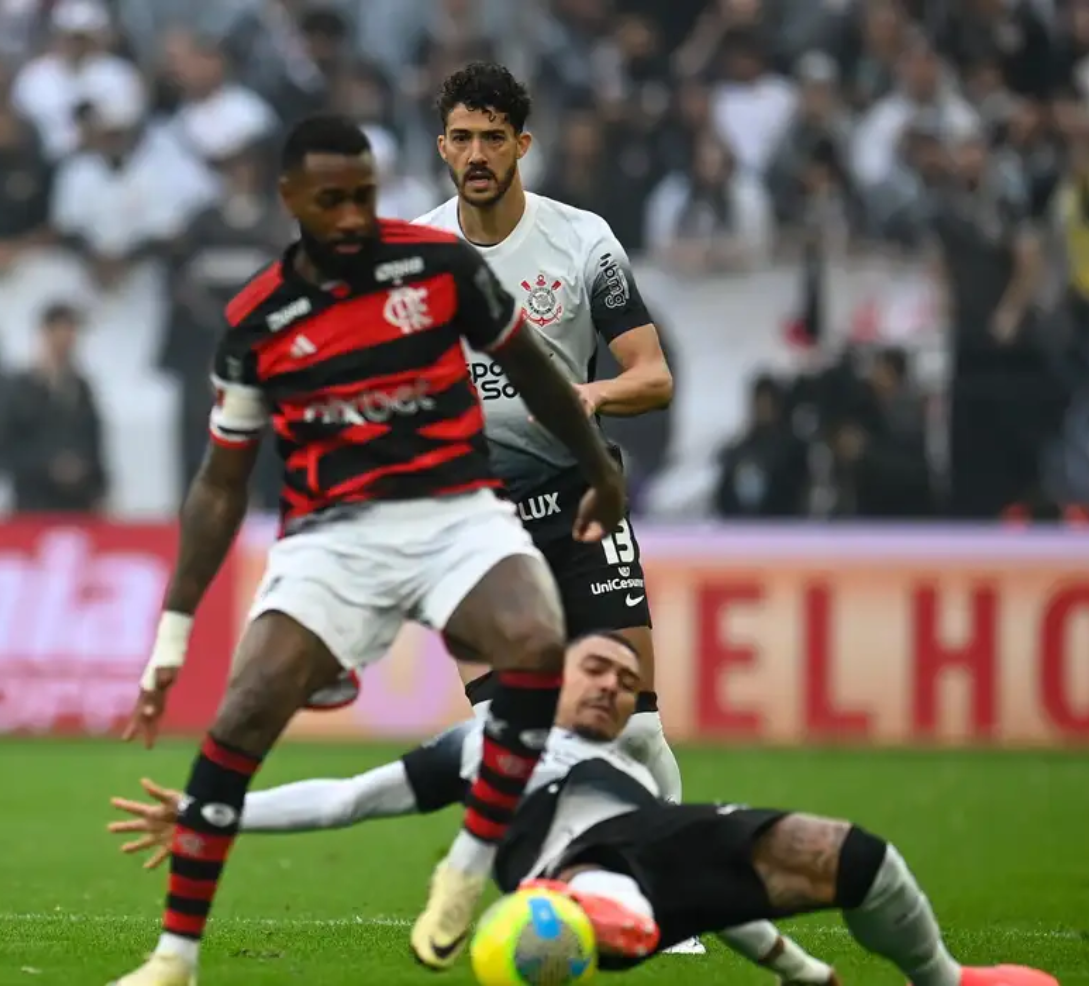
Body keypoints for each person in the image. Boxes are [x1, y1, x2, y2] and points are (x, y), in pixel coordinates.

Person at [108, 114, 627, 986]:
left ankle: (466, 868)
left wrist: (597, 469)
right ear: (291, 200)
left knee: (536, 643)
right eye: (331, 200)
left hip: (457, 514)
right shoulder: (256, 319)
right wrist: (173, 632)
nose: (352, 217)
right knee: (237, 720)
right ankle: (175, 958)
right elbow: (220, 482)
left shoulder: (439, 269)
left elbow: (537, 373)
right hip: (333, 541)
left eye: (364, 196)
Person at [105, 632, 1055, 986]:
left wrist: (804, 974)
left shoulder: (638, 762)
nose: (612, 686)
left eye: (626, 679)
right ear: (556, 677)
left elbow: (723, 904)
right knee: (608, 888)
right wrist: (212, 815)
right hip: (578, 871)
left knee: (854, 854)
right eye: (596, 669)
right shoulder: (481, 743)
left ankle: (949, 981)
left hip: (654, 851)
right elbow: (347, 801)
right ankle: (561, 924)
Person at [411, 62, 683, 810]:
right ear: (441, 148)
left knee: (634, 731)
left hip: (581, 506)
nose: (477, 155)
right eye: (461, 138)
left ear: (521, 144)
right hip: (474, 524)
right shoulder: (415, 257)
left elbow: (653, 376)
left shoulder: (583, 241)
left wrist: (591, 393)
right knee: (510, 734)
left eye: (492, 138)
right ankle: (559, 885)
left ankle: (668, 893)